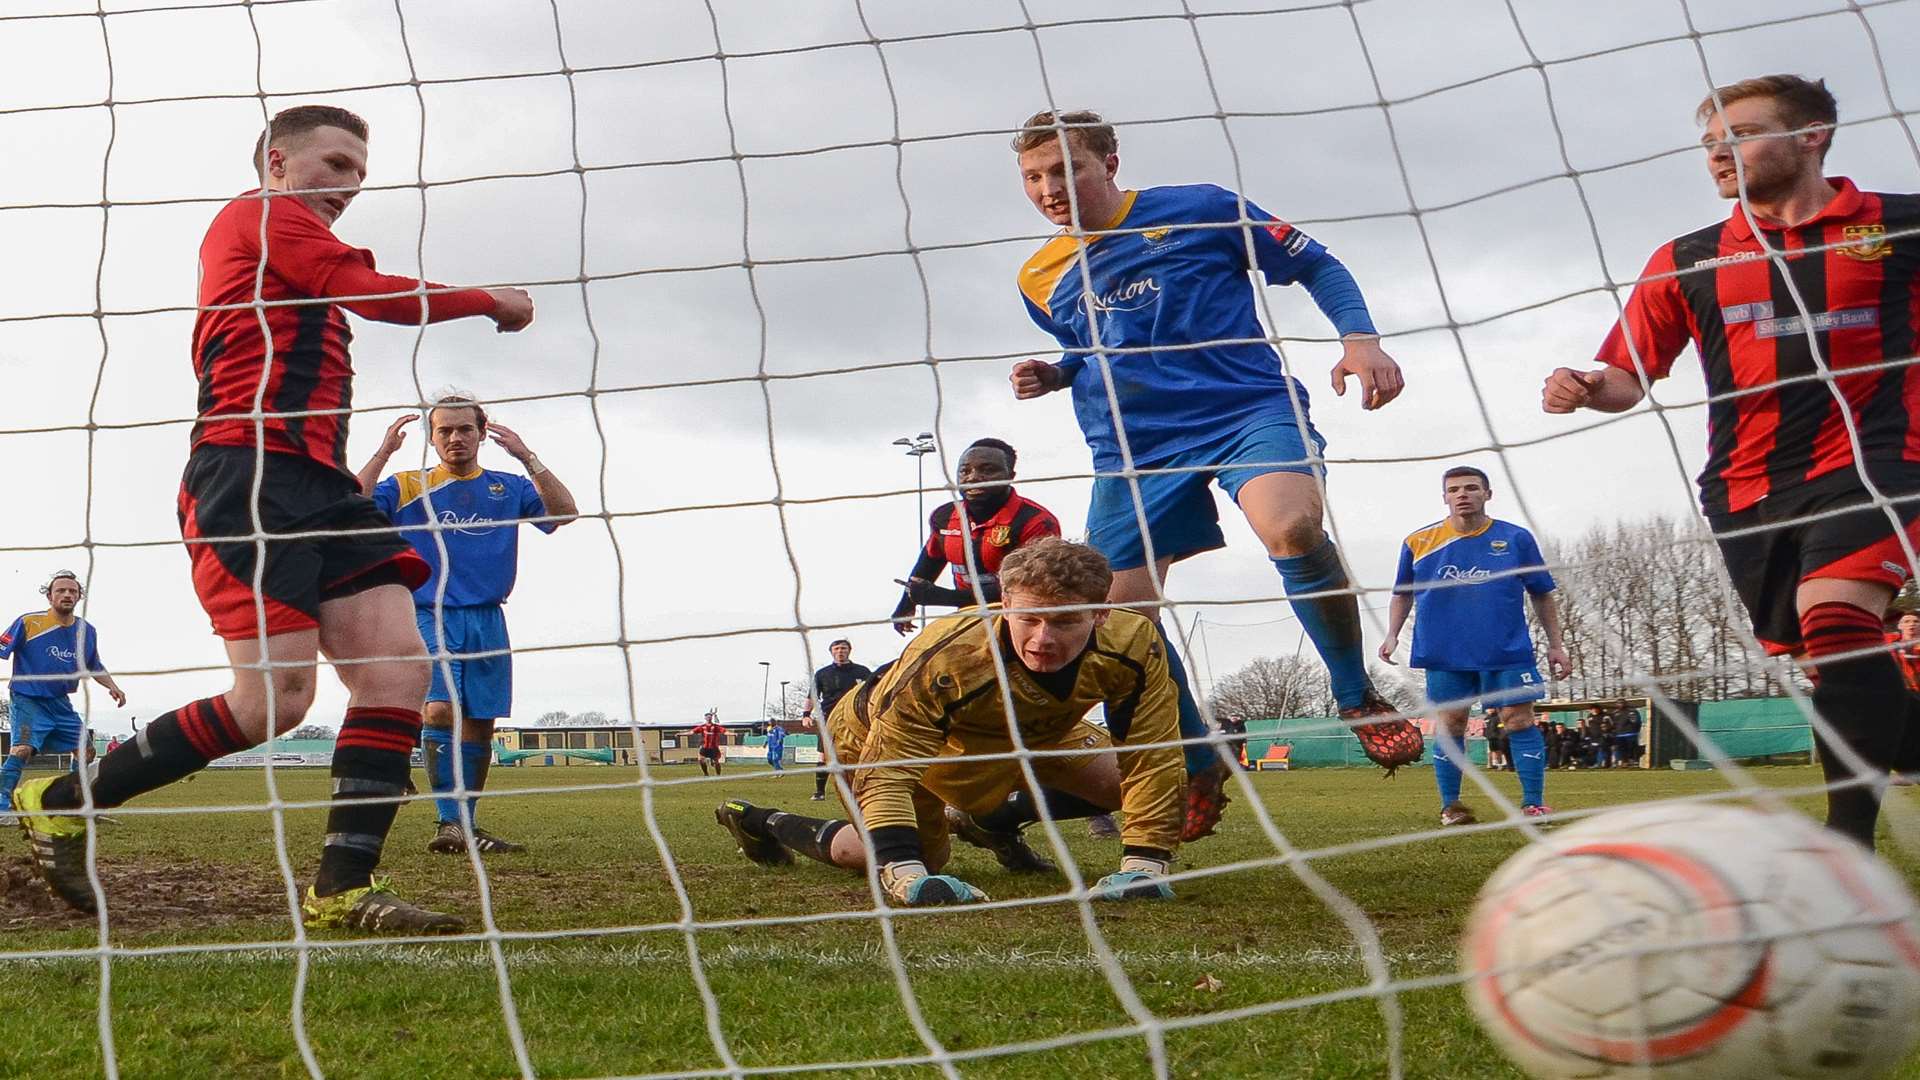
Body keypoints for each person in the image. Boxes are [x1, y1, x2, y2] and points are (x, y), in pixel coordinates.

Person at [10, 105, 533, 930]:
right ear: (278, 164)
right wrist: (486, 298)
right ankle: (63, 797)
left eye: (360, 171)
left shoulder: (298, 244)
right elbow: (368, 292)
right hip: (246, 476)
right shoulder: (261, 214)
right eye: (334, 163)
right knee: (274, 704)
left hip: (326, 487)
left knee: (399, 677)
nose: (349, 184)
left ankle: (340, 892)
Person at [1006, 109, 1423, 842]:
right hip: (1134, 451)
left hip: (1244, 410)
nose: (1049, 188)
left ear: (1108, 161)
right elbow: (1094, 345)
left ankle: (1355, 693)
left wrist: (1360, 339)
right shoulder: (1038, 276)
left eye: (1064, 168)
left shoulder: (1200, 209)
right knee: (1122, 622)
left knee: (1291, 526)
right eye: (1033, 177)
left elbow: (1317, 262)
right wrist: (1057, 370)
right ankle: (1199, 752)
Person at [1544, 73, 1920, 846]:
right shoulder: (1688, 258)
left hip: (1884, 463)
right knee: (1832, 662)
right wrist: (1586, 385)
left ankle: (1846, 844)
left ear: (1812, 135)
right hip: (1747, 487)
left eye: (1740, 134)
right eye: (1710, 142)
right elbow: (1629, 378)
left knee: (1839, 619)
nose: (1719, 153)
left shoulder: (1904, 228)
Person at [715, 539, 1183, 905]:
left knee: (1120, 780)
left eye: (1063, 622)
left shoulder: (1135, 642)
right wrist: (904, 870)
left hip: (1031, 726)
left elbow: (1152, 754)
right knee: (889, 856)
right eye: (1030, 619)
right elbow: (888, 774)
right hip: (880, 734)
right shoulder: (950, 655)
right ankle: (760, 820)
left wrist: (1145, 864)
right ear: (1004, 603)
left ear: (1101, 613)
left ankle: (989, 821)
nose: (1043, 639)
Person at [358, 393, 578, 856]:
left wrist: (527, 455)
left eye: (464, 429)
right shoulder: (406, 485)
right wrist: (382, 454)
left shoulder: (507, 485)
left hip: (488, 617)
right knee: (440, 710)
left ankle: (465, 825)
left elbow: (564, 513)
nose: (455, 438)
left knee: (480, 721)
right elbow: (350, 505)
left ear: (481, 433)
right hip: (426, 613)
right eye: (444, 430)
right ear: (432, 438)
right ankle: (447, 822)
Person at [1381, 466, 1570, 826]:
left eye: (1471, 488)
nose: (1462, 494)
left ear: (1488, 494)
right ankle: (1451, 807)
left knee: (1519, 720)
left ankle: (1533, 805)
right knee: (1451, 725)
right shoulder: (1418, 542)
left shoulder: (1516, 539)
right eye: (1454, 489)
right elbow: (1401, 594)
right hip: (1443, 652)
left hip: (1506, 651)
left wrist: (1556, 644)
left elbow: (1542, 593)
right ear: (1444, 497)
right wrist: (1392, 633)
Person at [889, 438, 1061, 634]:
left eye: (987, 470)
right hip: (969, 616)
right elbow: (930, 561)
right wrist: (906, 603)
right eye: (965, 471)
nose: (973, 477)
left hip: (1022, 621)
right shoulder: (944, 517)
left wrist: (945, 597)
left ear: (1010, 475)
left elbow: (1032, 589)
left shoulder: (1036, 521)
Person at [0, 572, 127, 813]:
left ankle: (68, 803)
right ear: (49, 596)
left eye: (73, 591)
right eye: (61, 590)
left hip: (60, 704)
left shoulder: (86, 631)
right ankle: (1, 804)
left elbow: (94, 665)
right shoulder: (28, 622)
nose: (67, 594)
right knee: (22, 749)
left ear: (79, 597)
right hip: (27, 699)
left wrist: (113, 686)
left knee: (86, 751)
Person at [800, 640, 871, 801]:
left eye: (843, 648)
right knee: (823, 756)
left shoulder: (863, 671)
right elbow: (812, 696)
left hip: (857, 720)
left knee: (861, 754)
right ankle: (819, 792)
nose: (840, 651)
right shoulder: (822, 674)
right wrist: (805, 715)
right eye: (837, 648)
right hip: (829, 719)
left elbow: (874, 692)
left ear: (849, 651)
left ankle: (859, 790)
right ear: (831, 652)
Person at [692, 710, 727, 777]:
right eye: (707, 717)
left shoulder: (715, 726)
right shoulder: (703, 726)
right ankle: (706, 773)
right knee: (701, 759)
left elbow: (718, 723)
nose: (709, 718)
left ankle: (717, 774)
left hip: (713, 746)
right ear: (705, 718)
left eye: (710, 717)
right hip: (705, 745)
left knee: (715, 760)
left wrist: (715, 715)